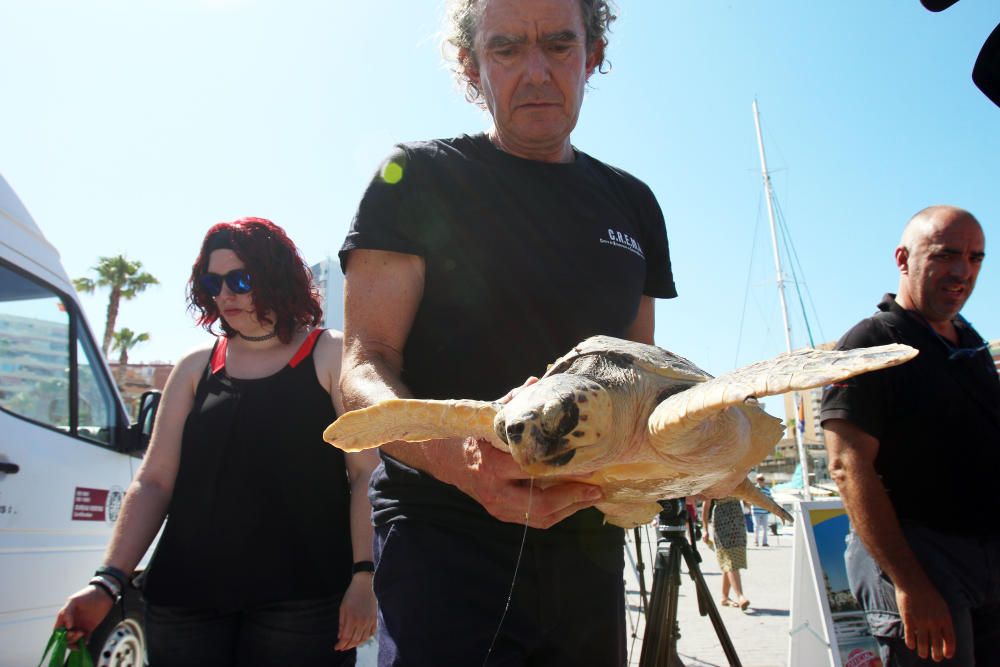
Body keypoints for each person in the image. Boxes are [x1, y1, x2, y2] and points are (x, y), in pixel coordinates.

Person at [338, 0, 677, 663]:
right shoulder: (415, 179)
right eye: (506, 50)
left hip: (588, 540)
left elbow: (641, 375)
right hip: (441, 534)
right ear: (470, 67)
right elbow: (362, 368)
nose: (536, 72)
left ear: (593, 56)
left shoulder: (634, 204)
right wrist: (455, 456)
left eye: (558, 45)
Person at [55, 218, 379, 666]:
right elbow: (153, 482)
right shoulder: (195, 368)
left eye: (240, 280)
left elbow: (366, 474)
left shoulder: (330, 355)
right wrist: (107, 582)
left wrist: (365, 578)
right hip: (185, 601)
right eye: (213, 282)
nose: (225, 294)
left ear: (276, 277)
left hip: (302, 602)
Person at [820, 205, 999, 666]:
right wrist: (910, 583)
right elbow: (846, 466)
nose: (963, 271)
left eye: (977, 258)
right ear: (903, 259)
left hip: (984, 559)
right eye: (946, 255)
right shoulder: (871, 342)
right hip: (919, 559)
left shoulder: (971, 344)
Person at [701, 498, 750, 611]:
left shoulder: (737, 481)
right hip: (721, 520)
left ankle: (724, 597)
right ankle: (740, 596)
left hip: (737, 519)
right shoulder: (715, 482)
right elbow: (706, 505)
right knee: (729, 558)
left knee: (731, 558)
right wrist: (705, 529)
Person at [752, 473, 772, 547]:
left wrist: (770, 508)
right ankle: (756, 541)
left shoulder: (767, 490)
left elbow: (770, 499)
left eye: (762, 479)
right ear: (757, 480)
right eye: (759, 479)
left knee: (765, 527)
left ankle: (764, 542)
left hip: (765, 511)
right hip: (756, 510)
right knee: (756, 526)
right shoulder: (754, 489)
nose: (760, 481)